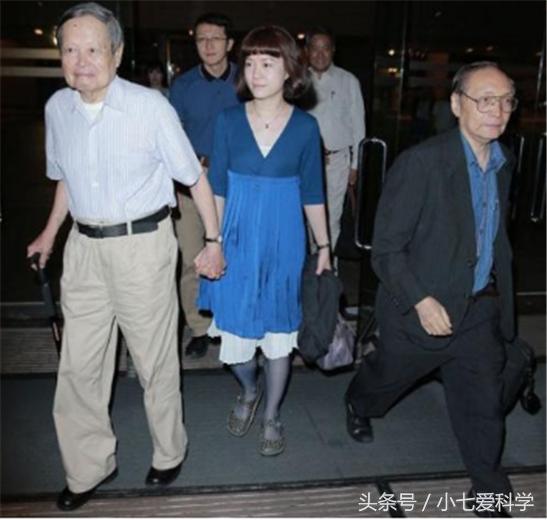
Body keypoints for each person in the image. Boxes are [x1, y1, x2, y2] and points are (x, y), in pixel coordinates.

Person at [26, 2, 224, 511]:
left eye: (93, 49)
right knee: (79, 365)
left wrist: (213, 241)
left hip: (142, 246)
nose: (81, 61)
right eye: (71, 50)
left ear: (115, 54)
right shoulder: (58, 109)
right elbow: (65, 179)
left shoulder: (149, 107)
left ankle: (169, 451)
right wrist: (50, 234)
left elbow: (194, 178)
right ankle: (87, 466)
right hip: (84, 250)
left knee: (153, 360)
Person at [345, 62, 519, 516]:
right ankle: (358, 402)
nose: (497, 110)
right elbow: (386, 249)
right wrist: (421, 300)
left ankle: (489, 493)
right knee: (387, 377)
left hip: (478, 307)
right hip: (421, 307)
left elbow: (491, 236)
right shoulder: (422, 163)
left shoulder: (503, 162)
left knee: (483, 405)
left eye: (506, 101)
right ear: (457, 105)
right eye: (485, 99)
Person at [198, 26, 331, 456]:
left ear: (289, 70)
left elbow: (313, 193)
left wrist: (324, 247)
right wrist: (213, 241)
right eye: (251, 63)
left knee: (278, 338)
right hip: (235, 237)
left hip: (283, 242)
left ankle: (271, 414)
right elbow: (217, 187)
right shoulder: (228, 121)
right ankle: (249, 389)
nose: (256, 72)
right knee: (236, 346)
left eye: (268, 63)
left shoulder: (306, 127)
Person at [169, 13, 240, 359]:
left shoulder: (248, 80)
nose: (209, 45)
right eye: (201, 39)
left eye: (216, 38)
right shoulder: (183, 86)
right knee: (191, 257)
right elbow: (170, 135)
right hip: (190, 185)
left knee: (234, 255)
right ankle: (199, 326)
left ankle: (231, 320)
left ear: (230, 43)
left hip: (236, 184)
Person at [306, 27, 366, 257]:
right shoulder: (298, 80)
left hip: (337, 162)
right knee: (306, 216)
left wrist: (355, 166)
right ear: (307, 51)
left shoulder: (348, 81)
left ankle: (327, 265)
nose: (320, 54)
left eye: (325, 48)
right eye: (315, 48)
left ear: (333, 51)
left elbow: (358, 125)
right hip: (305, 162)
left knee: (332, 216)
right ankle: (312, 263)